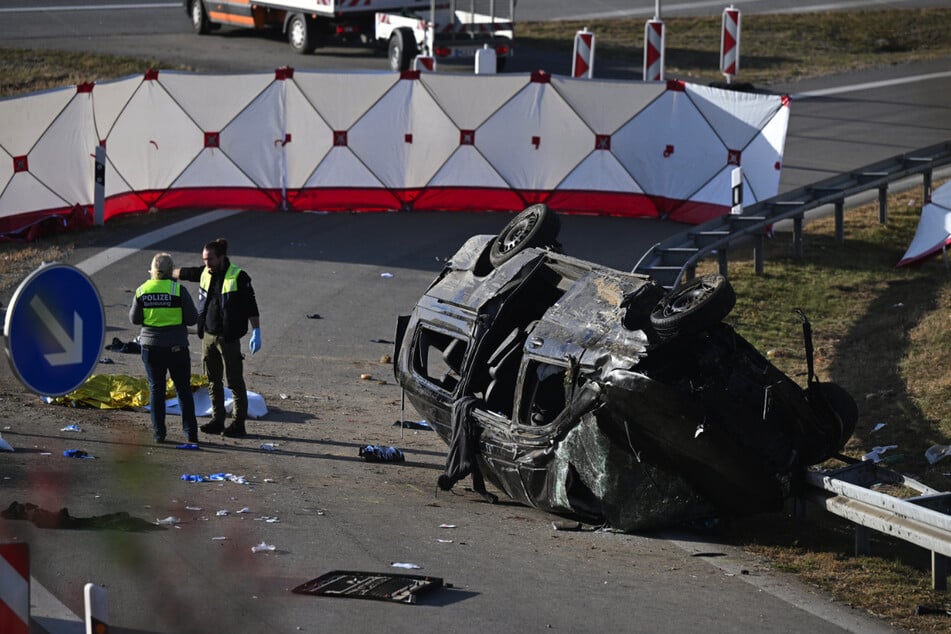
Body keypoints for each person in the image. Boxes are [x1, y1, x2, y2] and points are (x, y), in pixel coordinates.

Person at [174, 238, 261, 438]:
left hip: (228, 339)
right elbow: (187, 273)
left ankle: (238, 424)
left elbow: (251, 306)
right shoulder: (205, 272)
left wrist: (257, 330)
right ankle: (218, 420)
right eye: (204, 259)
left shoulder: (238, 276)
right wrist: (165, 271)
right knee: (213, 380)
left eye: (210, 259)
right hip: (209, 337)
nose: (207, 263)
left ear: (221, 258)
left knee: (235, 382)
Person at [130, 253, 199, 445]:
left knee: (156, 389)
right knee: (183, 390)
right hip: (176, 347)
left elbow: (134, 319)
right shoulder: (178, 291)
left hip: (151, 348)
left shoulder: (142, 290)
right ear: (171, 271)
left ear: (152, 270)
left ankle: (159, 433)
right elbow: (192, 318)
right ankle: (190, 433)